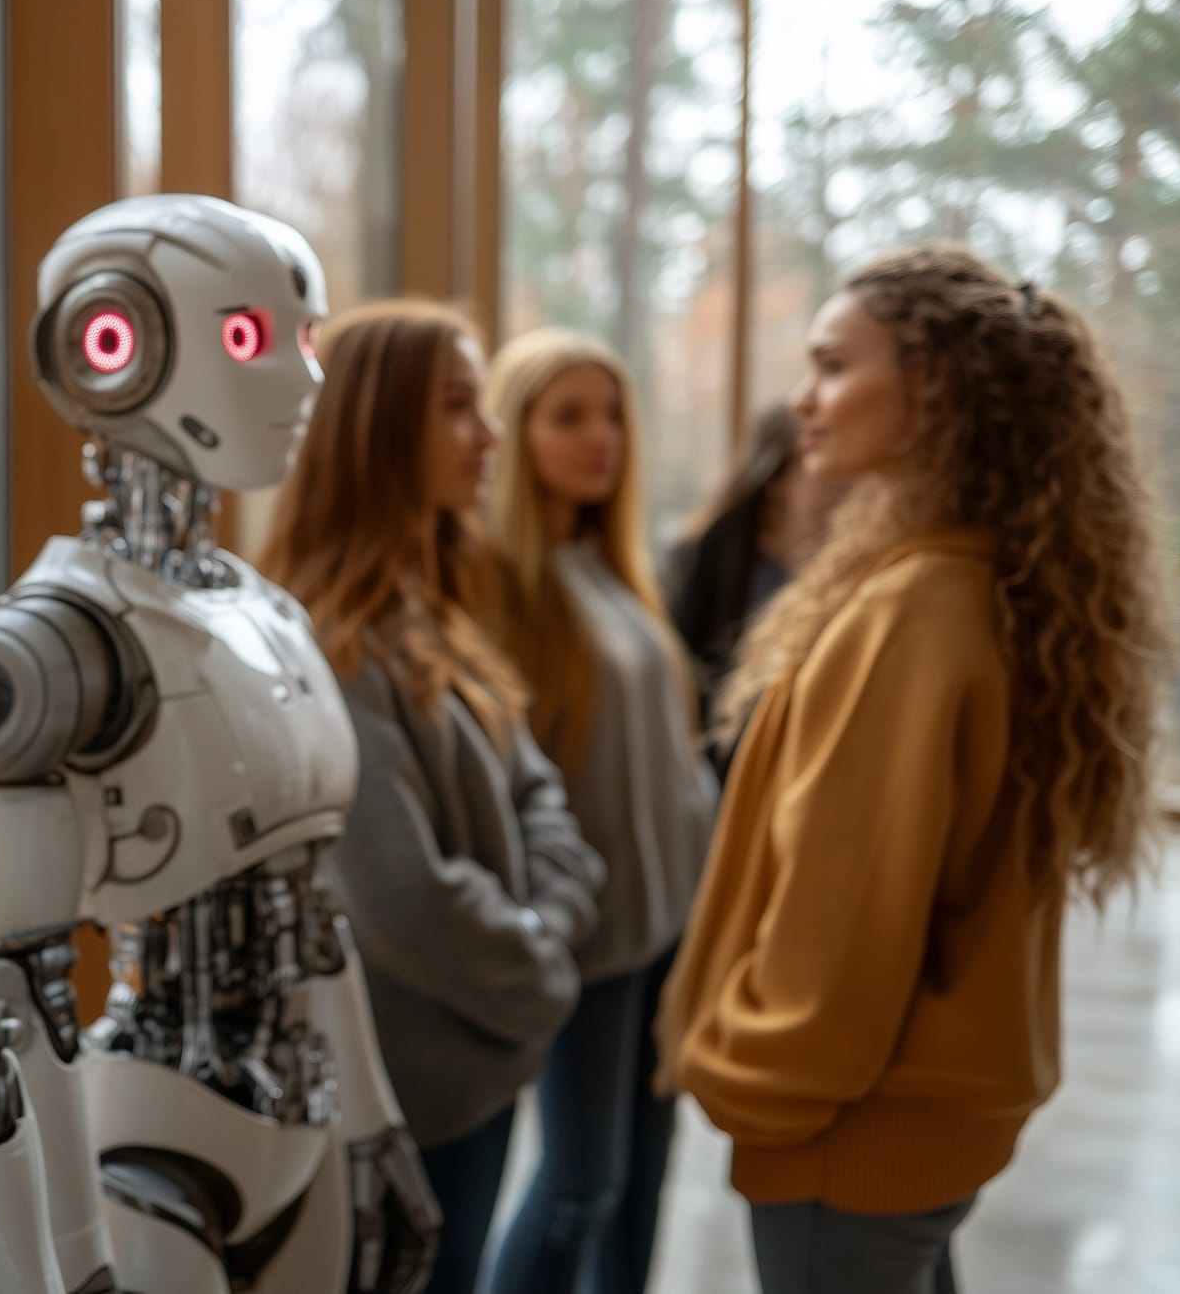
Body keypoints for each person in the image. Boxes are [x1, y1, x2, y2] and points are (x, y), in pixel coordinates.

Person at [657, 245, 1168, 1294]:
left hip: (852, 1126)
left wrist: (744, 1071)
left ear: (934, 387)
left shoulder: (907, 611)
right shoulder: (987, 581)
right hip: (930, 1111)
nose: (802, 398)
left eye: (834, 365)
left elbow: (839, 906)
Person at [257, 300, 604, 1294]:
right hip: (409, 1091)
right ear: (375, 429)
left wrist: (541, 922)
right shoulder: (332, 640)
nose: (489, 433)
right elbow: (404, 895)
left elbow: (541, 793)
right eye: (458, 405)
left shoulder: (430, 600)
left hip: (473, 1067)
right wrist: (542, 968)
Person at [479, 329, 718, 1294]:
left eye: (612, 413)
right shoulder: (505, 582)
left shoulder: (614, 567)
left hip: (667, 926)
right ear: (514, 430)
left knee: (639, 1182)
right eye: (568, 415)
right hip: (593, 938)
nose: (600, 437)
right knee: (582, 1186)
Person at [661, 403, 848, 746]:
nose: (841, 481)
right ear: (776, 476)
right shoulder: (706, 557)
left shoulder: (841, 569)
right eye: (814, 458)